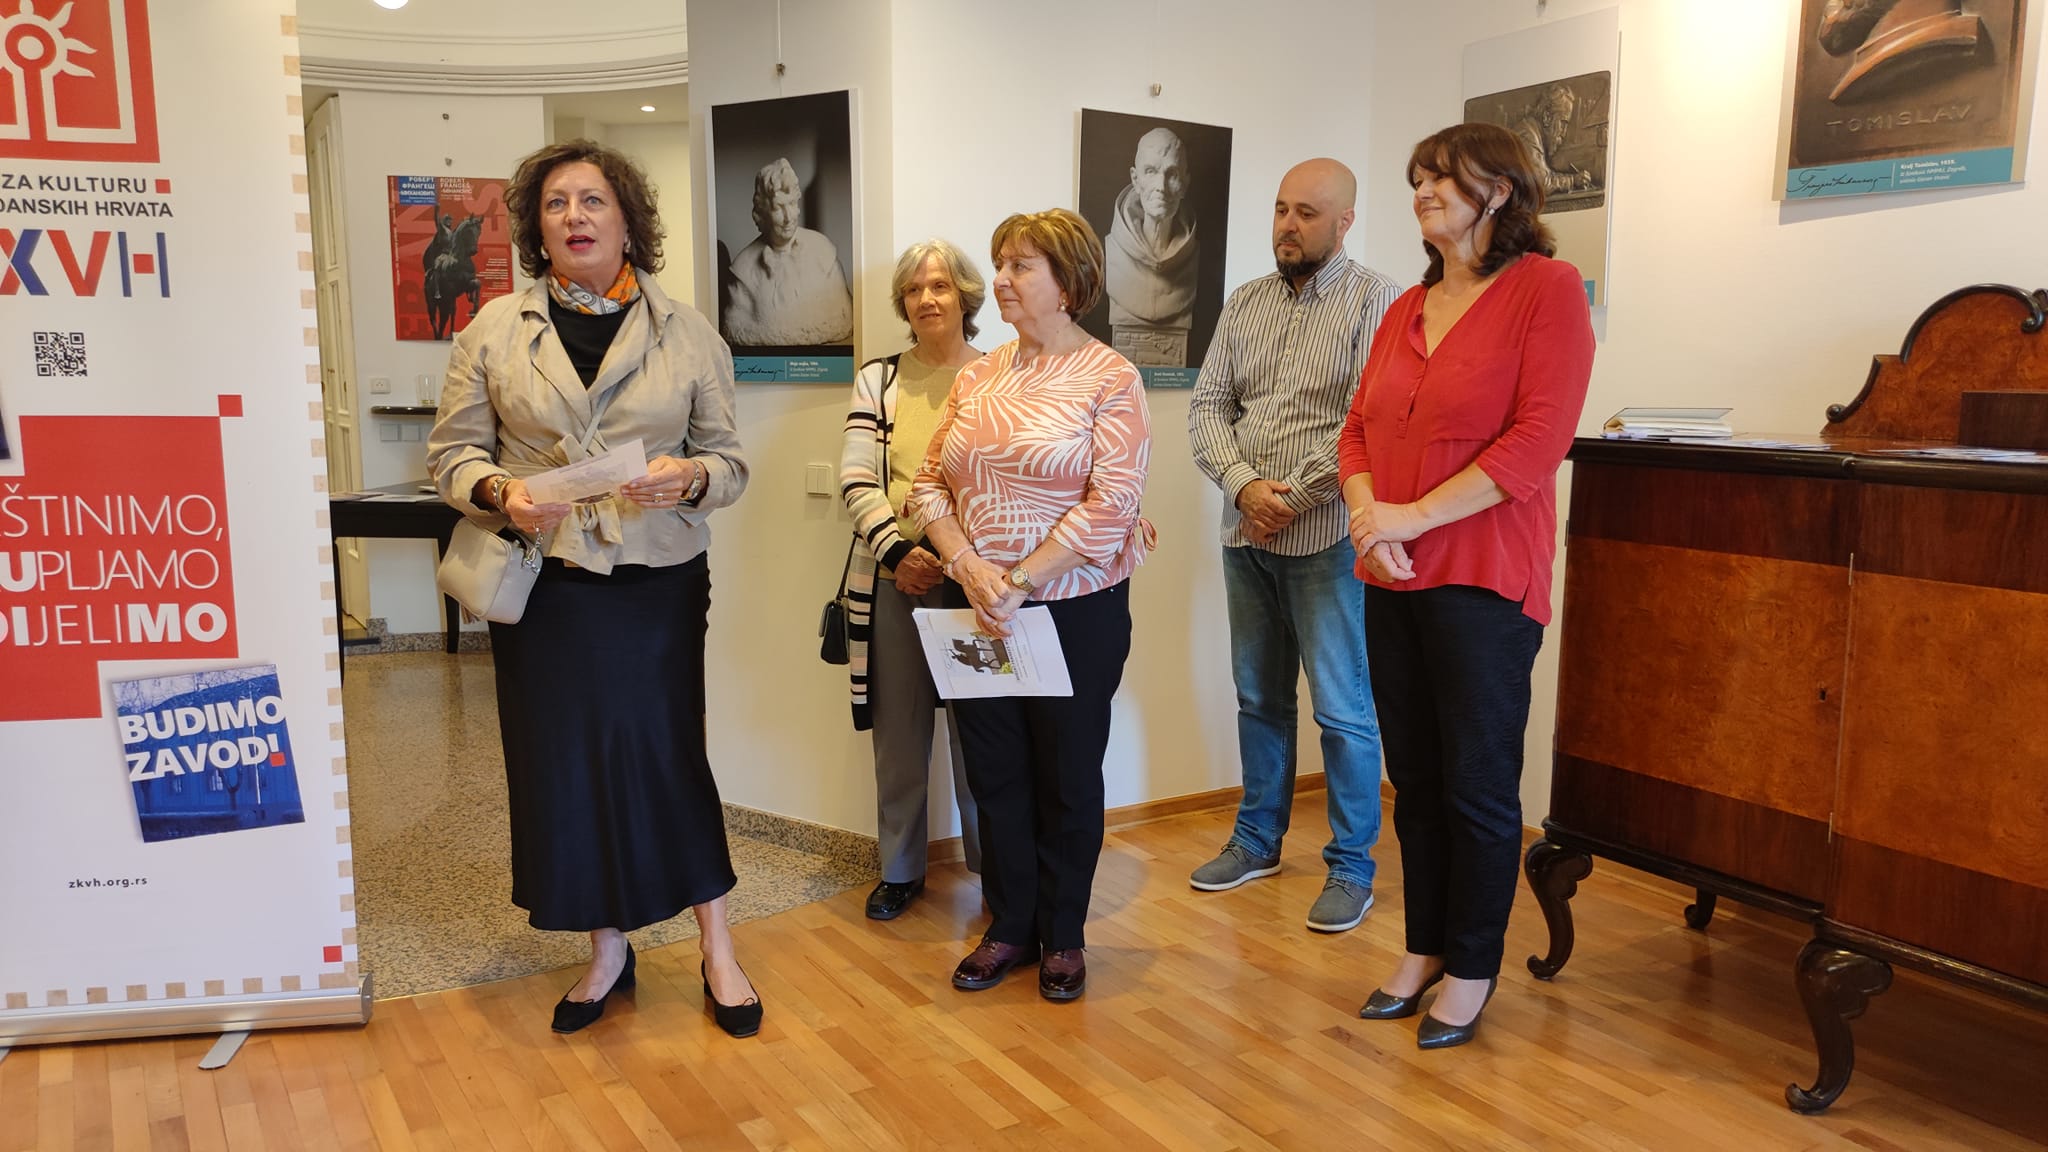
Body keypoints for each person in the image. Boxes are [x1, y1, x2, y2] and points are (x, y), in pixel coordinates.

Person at [426, 140, 764, 1039]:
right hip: (545, 586)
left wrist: (688, 477)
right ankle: (606, 950)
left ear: (627, 220)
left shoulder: (688, 331)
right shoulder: (492, 330)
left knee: (667, 756)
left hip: (655, 580)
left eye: (592, 201)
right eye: (555, 204)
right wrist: (501, 491)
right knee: (565, 768)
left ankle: (718, 948)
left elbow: (730, 462)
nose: (574, 216)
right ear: (536, 228)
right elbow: (451, 456)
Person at [1340, 123, 1594, 1049]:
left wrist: (1409, 518)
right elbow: (1357, 432)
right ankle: (1424, 948)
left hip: (1484, 578)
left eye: (1444, 177)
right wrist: (1370, 521)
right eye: (1418, 178)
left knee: (1478, 786)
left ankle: (1474, 965)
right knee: (1414, 781)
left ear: (1501, 190)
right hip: (1392, 572)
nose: (1424, 191)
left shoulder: (1547, 290)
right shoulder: (1405, 307)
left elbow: (1537, 442)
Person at [907, 208, 1153, 1002]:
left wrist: (1018, 579)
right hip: (977, 606)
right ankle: (1010, 926)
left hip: (1072, 610)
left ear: (1069, 282)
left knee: (1067, 776)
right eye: (1002, 263)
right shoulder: (977, 376)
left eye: (1021, 266)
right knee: (996, 772)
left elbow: (1113, 505)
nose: (1002, 280)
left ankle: (1065, 934)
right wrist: (968, 566)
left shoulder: (1110, 378)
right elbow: (927, 485)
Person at [1185, 158, 1400, 933]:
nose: (1287, 225)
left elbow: (1365, 420)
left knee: (1343, 711)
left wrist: (1291, 499)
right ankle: (1258, 841)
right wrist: (1245, 487)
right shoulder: (1245, 302)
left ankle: (1351, 867)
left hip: (1328, 540)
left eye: (1307, 213)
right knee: (1259, 698)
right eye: (1281, 209)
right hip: (1245, 534)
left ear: (1344, 222)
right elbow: (1208, 407)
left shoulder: (1378, 301)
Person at [839, 239, 988, 920]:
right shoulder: (878, 380)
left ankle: (997, 868)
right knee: (899, 738)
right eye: (914, 290)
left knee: (984, 736)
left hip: (976, 583)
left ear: (965, 296)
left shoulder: (998, 375)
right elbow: (856, 479)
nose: (927, 299)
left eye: (940, 286)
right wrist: (900, 553)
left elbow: (1008, 482)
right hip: (894, 579)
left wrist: (961, 558)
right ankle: (900, 871)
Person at [722, 157, 854, 346]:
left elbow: (844, 315)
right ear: (763, 212)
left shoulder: (823, 253)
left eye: (792, 204)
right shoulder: (743, 271)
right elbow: (735, 327)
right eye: (778, 208)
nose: (788, 218)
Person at [1104, 127, 1199, 367]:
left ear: (1185, 183)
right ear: (1135, 180)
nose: (1161, 186)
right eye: (1151, 171)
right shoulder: (1110, 253)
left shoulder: (1194, 258)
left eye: (1172, 174)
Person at [1508, 84, 1596, 198]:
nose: (1564, 132)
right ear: (1547, 117)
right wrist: (1572, 181)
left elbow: (1545, 175)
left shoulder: (1532, 132)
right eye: (1563, 123)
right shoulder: (1527, 135)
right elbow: (1542, 182)